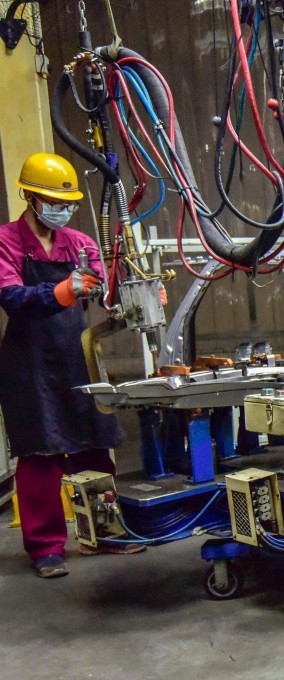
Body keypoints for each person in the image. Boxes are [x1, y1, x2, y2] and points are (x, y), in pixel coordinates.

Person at [0, 152, 140, 579]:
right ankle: (46, 548)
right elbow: (10, 297)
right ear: (29, 196)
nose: (60, 209)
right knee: (39, 453)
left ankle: (105, 532)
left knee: (93, 444)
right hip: (29, 361)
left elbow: (105, 291)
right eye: (51, 200)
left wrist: (133, 295)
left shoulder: (81, 243)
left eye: (67, 202)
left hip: (78, 354)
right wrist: (60, 291)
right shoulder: (6, 242)